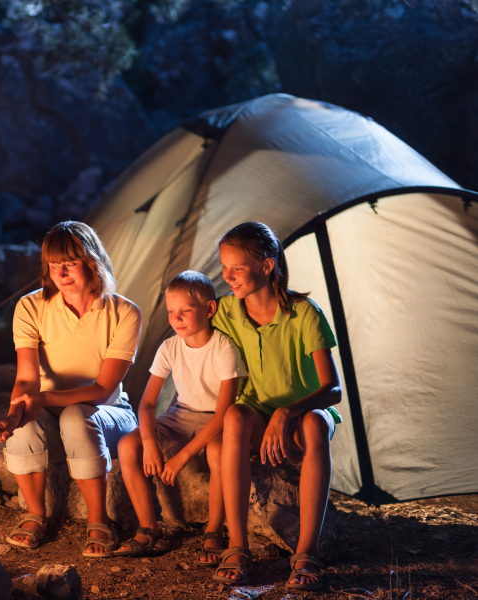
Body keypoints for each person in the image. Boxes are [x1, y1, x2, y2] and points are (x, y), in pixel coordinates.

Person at [0, 221, 141, 558]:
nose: (61, 273)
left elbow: (102, 389)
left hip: (108, 411)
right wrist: (15, 415)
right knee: (26, 422)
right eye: (54, 265)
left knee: (75, 416)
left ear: (93, 261)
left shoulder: (125, 312)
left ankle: (98, 520)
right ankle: (35, 514)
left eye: (70, 263)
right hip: (49, 407)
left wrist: (43, 399)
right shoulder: (31, 307)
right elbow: (27, 380)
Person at [211, 222, 342, 591]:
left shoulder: (304, 313)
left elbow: (333, 389)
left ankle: (306, 553)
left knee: (317, 423)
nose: (228, 277)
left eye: (236, 268)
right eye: (223, 268)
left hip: (303, 417)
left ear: (267, 266)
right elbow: (187, 332)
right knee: (235, 415)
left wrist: (288, 412)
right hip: (257, 415)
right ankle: (237, 547)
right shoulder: (225, 311)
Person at [114, 271, 246, 561]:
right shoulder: (170, 347)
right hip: (181, 415)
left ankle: (213, 530)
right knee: (127, 446)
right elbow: (147, 404)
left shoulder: (223, 348)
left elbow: (224, 412)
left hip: (217, 419)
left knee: (217, 452)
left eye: (186, 311)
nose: (177, 318)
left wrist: (181, 457)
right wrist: (149, 442)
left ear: (209, 309)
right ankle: (149, 526)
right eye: (172, 311)